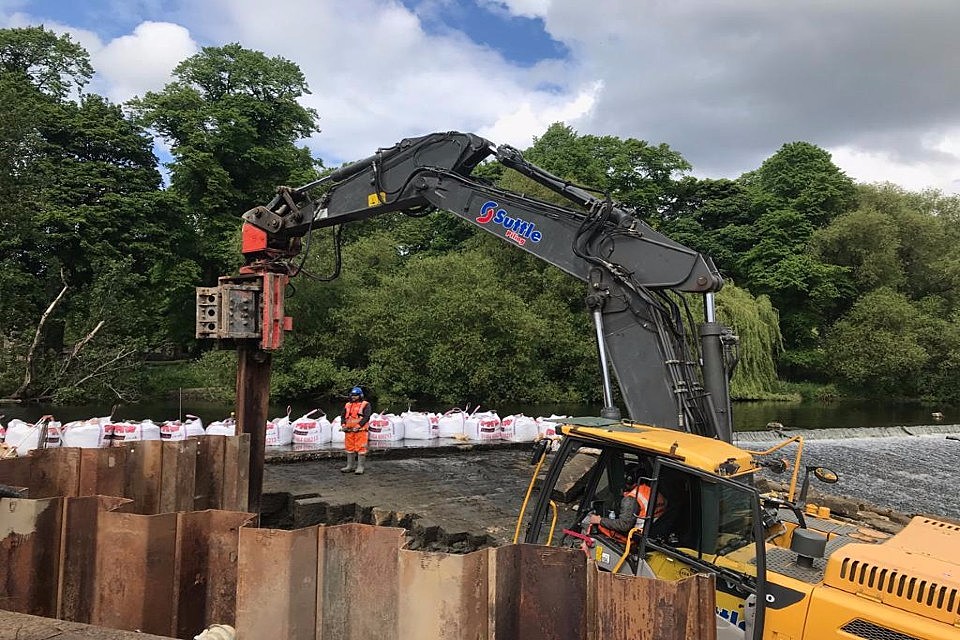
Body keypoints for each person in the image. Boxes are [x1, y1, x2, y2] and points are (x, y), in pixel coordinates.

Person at [589, 464, 667, 543]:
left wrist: (599, 520)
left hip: (634, 538)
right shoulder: (651, 491)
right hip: (650, 532)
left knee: (598, 527)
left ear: (629, 479)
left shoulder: (631, 499)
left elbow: (624, 525)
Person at [339, 386, 372, 474]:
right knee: (349, 448)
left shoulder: (366, 404)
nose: (353, 397)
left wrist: (358, 426)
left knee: (361, 449)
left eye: (356, 395)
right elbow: (342, 416)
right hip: (349, 431)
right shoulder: (347, 405)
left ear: (360, 395)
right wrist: (343, 425)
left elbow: (366, 417)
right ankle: (350, 466)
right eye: (352, 395)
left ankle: (360, 467)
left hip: (361, 431)